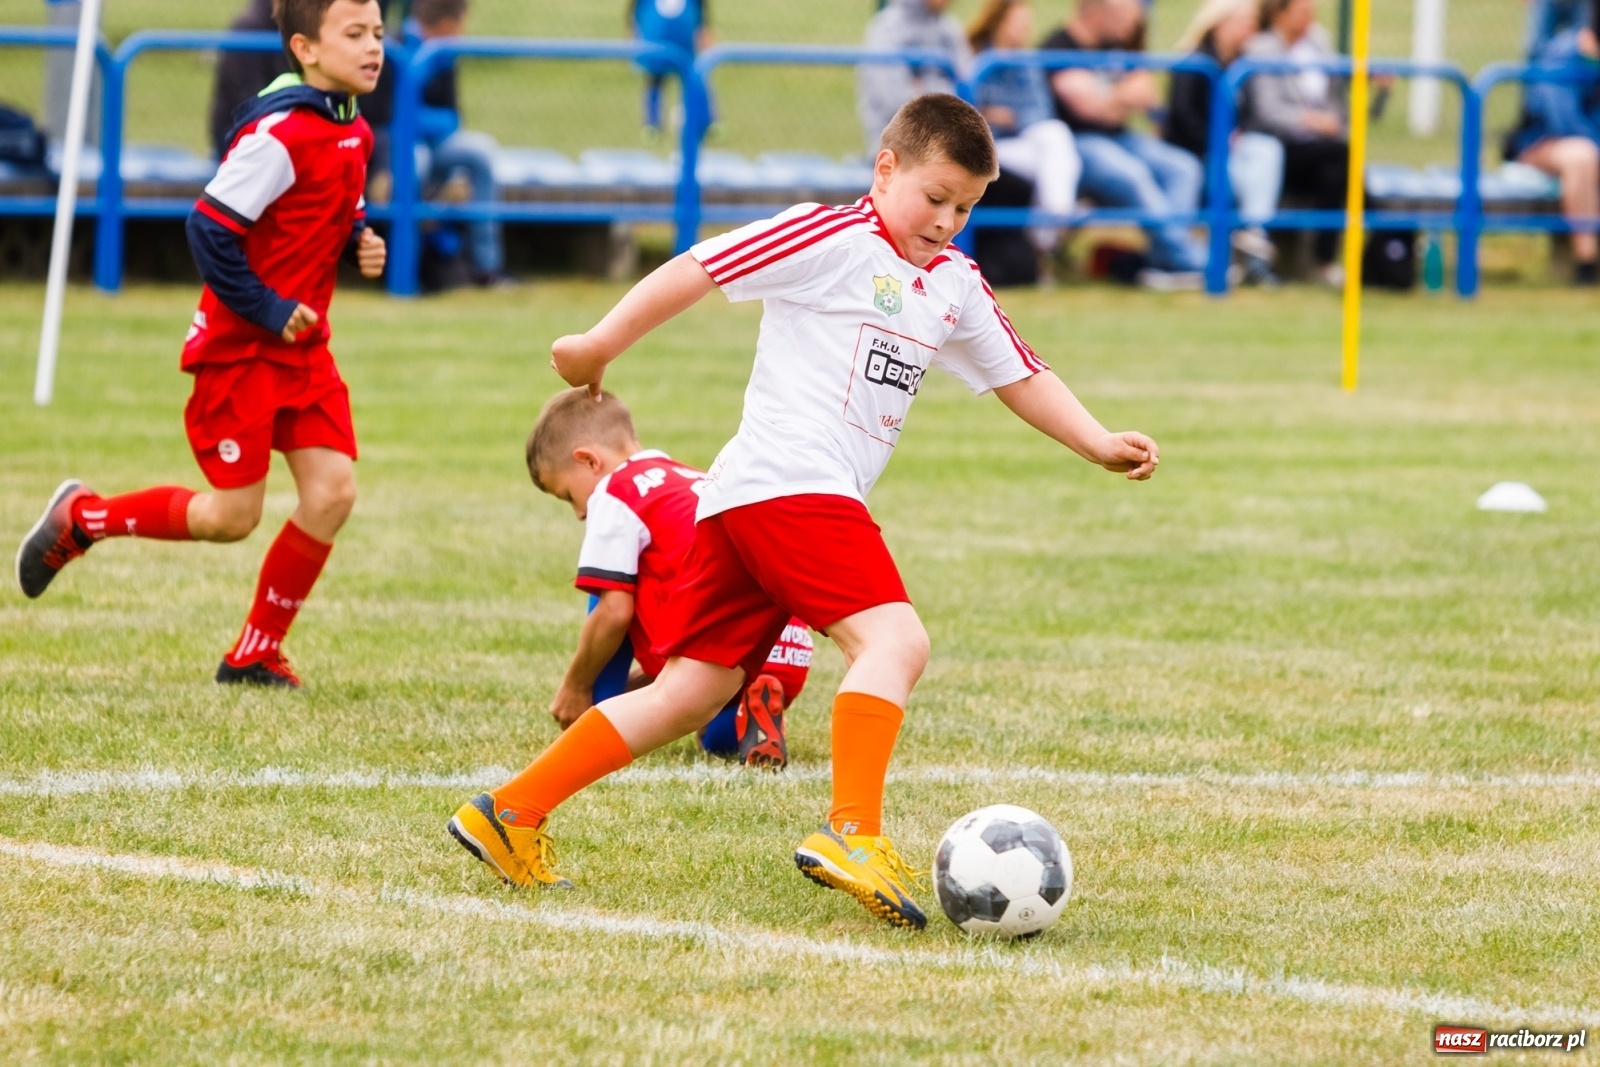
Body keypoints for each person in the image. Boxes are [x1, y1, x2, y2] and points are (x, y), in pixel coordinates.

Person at [447, 94, 1160, 927]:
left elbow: (1020, 373)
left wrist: (1096, 440)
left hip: (749, 498)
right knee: (895, 640)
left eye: (966, 206)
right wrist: (598, 345)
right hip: (791, 481)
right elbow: (701, 267)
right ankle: (852, 833)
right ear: (885, 168)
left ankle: (510, 811)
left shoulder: (955, 282)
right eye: (935, 197)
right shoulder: (831, 236)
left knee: (689, 690)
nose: (947, 220)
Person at [15, 0, 387, 689]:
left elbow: (339, 196)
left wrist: (360, 235)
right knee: (230, 517)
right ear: (305, 47)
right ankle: (84, 517)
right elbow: (209, 229)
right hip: (241, 351)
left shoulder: (353, 129)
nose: (373, 48)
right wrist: (270, 309)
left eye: (379, 34)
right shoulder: (279, 134)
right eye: (355, 35)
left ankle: (253, 652)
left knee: (332, 493)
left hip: (304, 351)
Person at [527, 387, 813, 767]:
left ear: (588, 461)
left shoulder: (615, 493)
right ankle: (753, 710)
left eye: (567, 496)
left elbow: (614, 613)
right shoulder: (694, 477)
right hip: (784, 650)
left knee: (611, 589)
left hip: (721, 647)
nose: (579, 512)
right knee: (716, 740)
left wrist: (576, 687)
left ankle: (601, 713)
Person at [1043, 0, 1210, 288]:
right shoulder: (1059, 46)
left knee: (1183, 167)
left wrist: (1112, 99)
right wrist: (1123, 97)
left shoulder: (1115, 46)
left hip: (1121, 138)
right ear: (1096, 11)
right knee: (1132, 174)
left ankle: (1165, 264)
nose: (1130, 23)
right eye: (1121, 15)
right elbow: (1091, 109)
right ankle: (1191, 260)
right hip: (1077, 143)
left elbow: (1149, 97)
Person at [1243, 0, 1369, 284]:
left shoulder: (1319, 44)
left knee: (1337, 168)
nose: (1309, 17)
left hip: (1325, 149)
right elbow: (1268, 110)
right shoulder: (1262, 49)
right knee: (1340, 159)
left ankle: (1335, 261)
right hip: (1280, 145)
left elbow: (1336, 101)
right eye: (1302, 11)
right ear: (1279, 13)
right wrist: (1311, 121)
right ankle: (1330, 259)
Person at [1165, 0, 1285, 284]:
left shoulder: (1245, 65)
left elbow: (1253, 117)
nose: (1251, 28)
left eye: (1253, 21)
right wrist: (1219, 140)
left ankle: (1255, 235)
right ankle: (1246, 251)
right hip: (1198, 155)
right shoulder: (1195, 63)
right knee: (1232, 175)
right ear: (1219, 22)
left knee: (1267, 151)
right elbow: (1183, 118)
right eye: (1244, 20)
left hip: (1233, 154)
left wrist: (1237, 138)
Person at [968, 0, 1083, 281]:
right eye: (1016, 23)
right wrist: (996, 115)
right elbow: (968, 112)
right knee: (1057, 147)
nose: (1022, 31)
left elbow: (1039, 112)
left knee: (1055, 142)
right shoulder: (977, 59)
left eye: (1025, 25)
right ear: (998, 22)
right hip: (988, 147)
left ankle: (1051, 226)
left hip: (1025, 144)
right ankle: (1053, 230)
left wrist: (1004, 115)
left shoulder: (1026, 63)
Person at [405, 0, 512, 289]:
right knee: (415, 164)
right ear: (447, 24)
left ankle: (487, 268)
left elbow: (453, 116)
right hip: (401, 145)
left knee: (481, 152)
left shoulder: (445, 54)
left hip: (437, 144)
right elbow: (393, 114)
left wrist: (434, 125)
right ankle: (408, 270)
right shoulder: (398, 45)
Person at [1506, 12, 1600, 283]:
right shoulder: (1561, 54)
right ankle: (1586, 262)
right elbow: (1563, 123)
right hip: (1542, 145)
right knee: (1581, 156)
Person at [858, 0, 972, 153]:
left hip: (949, 146)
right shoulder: (887, 30)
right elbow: (897, 101)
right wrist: (946, 89)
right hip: (899, 150)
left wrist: (922, 87)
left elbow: (969, 90)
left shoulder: (949, 29)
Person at [630, 0, 712, 140]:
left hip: (683, 40)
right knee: (656, 79)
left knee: (693, 79)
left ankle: (705, 120)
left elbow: (701, 9)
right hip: (659, 39)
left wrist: (703, 30)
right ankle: (652, 123)